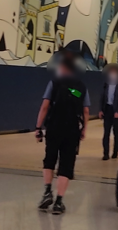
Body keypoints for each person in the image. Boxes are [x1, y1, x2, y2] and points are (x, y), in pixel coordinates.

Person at [36, 49, 90, 215]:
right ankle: (59, 202)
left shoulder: (54, 83)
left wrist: (38, 127)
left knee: (49, 159)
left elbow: (45, 106)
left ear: (63, 68)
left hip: (54, 127)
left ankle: (47, 192)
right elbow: (85, 110)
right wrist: (84, 128)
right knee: (66, 164)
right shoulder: (81, 87)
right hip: (72, 129)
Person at [99, 63, 118, 161]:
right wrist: (100, 110)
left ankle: (115, 151)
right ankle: (105, 153)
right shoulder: (106, 84)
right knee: (106, 132)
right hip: (107, 109)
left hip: (116, 111)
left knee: (116, 132)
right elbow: (102, 98)